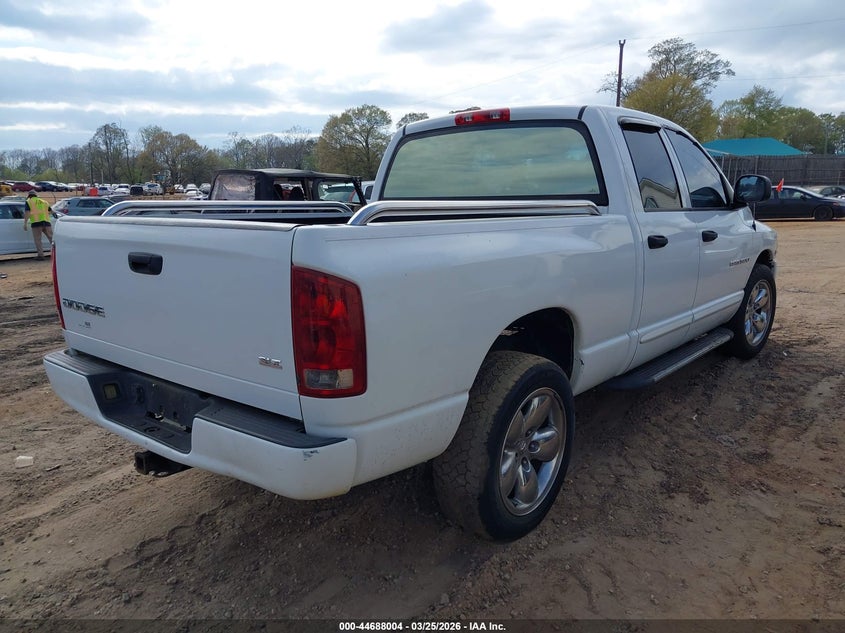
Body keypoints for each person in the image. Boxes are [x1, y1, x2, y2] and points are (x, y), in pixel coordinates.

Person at [23, 191, 54, 260]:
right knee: (52, 239)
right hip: (46, 223)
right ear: (36, 195)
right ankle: (57, 253)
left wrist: (25, 223)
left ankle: (41, 255)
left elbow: (27, 212)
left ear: (29, 196)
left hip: (36, 223)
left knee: (38, 240)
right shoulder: (44, 201)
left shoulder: (29, 201)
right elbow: (51, 211)